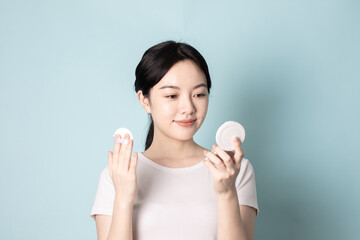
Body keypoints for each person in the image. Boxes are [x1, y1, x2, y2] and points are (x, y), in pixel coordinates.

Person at [90, 40, 259, 240]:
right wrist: (123, 199)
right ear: (145, 101)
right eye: (171, 96)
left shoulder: (234, 171)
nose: (188, 108)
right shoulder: (117, 175)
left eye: (199, 94)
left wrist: (227, 193)